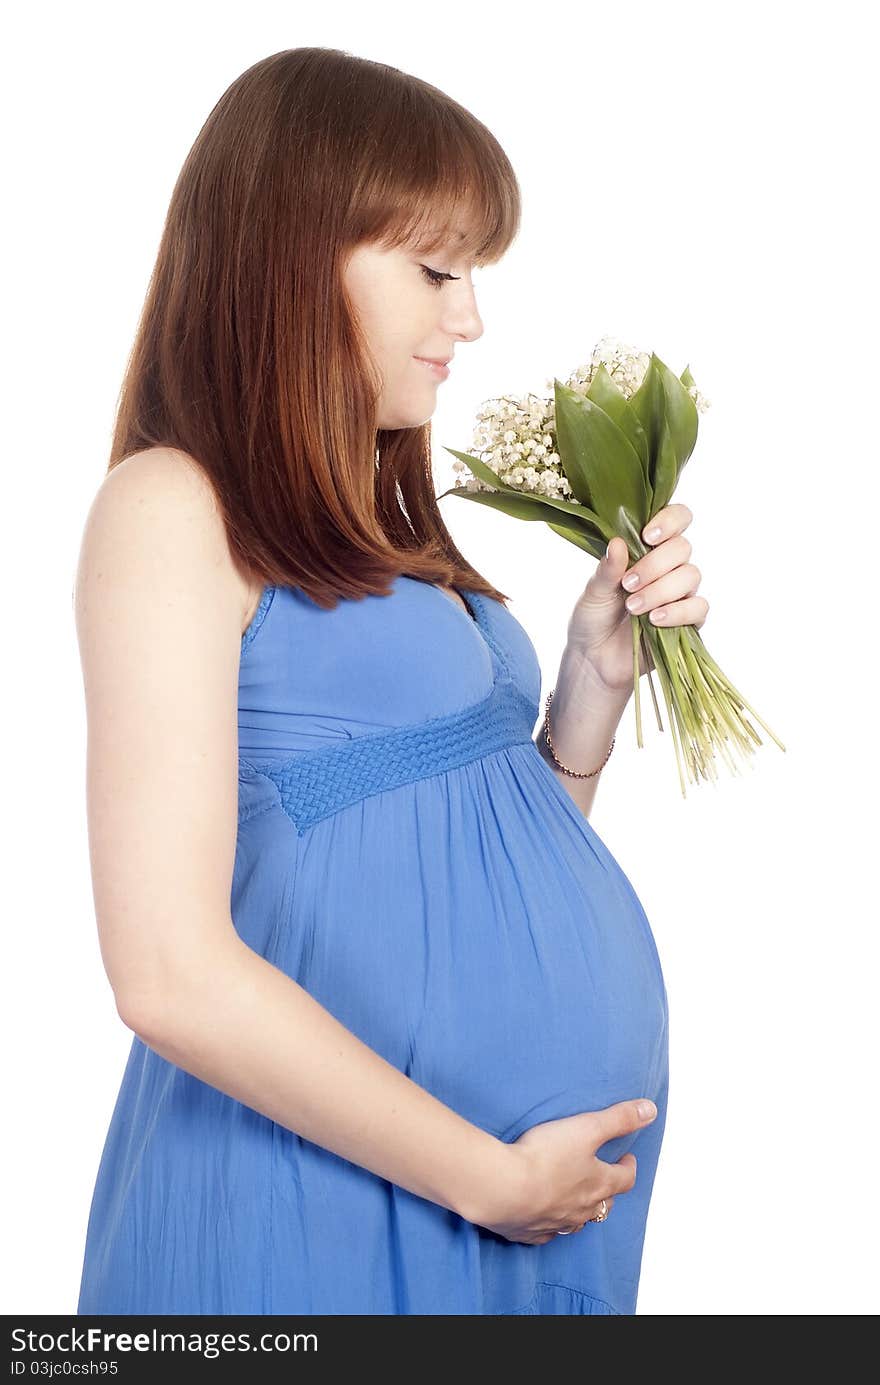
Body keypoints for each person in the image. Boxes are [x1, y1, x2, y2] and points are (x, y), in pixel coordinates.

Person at [74, 46, 706, 1317]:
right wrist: (488, 1177)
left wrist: (588, 686)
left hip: (507, 1212)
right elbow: (165, 971)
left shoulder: (380, 529)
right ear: (290, 256)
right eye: (436, 270)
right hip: (321, 1212)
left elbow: (453, 864)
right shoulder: (169, 508)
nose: (467, 318)